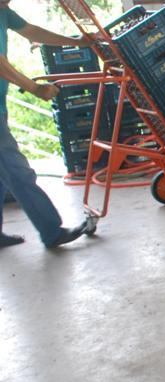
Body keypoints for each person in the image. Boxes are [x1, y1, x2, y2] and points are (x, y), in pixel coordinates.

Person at [0, 1, 92, 249]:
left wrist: (79, 42)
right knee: (17, 171)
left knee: (3, 173)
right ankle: (51, 232)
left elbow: (32, 31)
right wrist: (36, 88)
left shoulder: (3, 12)